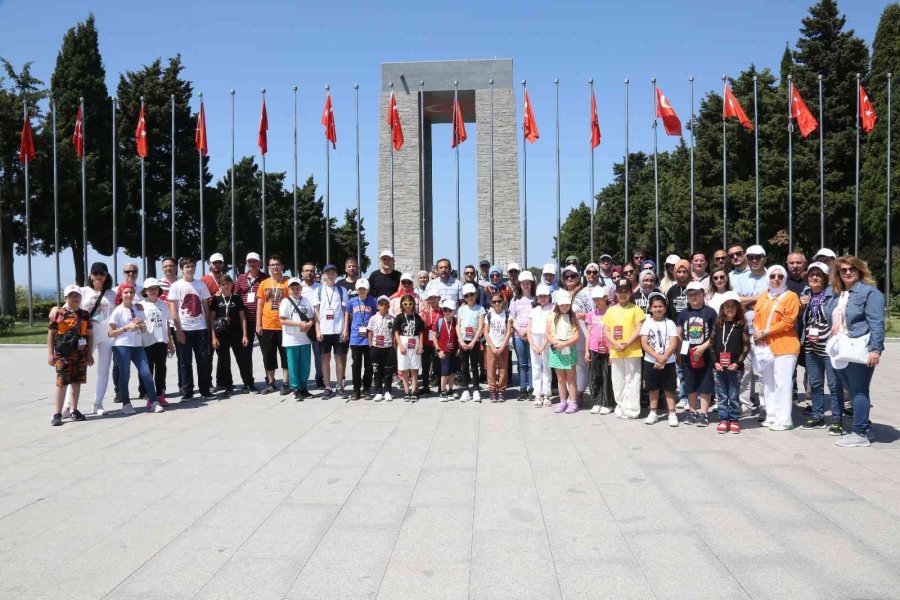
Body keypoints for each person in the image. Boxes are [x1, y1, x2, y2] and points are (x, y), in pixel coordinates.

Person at [828, 256, 885, 447]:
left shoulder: (870, 293)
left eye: (852, 269)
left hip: (859, 348)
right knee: (852, 391)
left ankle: (859, 433)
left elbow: (877, 323)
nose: (847, 273)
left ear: (860, 271)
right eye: (843, 270)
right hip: (840, 348)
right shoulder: (839, 293)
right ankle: (864, 426)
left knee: (859, 391)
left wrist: (875, 350)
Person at [62, 262, 115, 418]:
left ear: (106, 276)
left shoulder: (112, 294)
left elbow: (129, 297)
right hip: (85, 336)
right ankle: (67, 406)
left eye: (102, 273)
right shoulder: (83, 291)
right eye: (96, 273)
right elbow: (67, 306)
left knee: (103, 370)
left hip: (106, 337)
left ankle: (98, 403)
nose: (99, 276)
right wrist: (53, 310)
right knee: (76, 370)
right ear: (91, 276)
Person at [752, 265, 801, 431]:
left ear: (785, 278)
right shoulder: (763, 296)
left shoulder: (791, 296)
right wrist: (757, 331)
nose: (776, 279)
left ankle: (785, 419)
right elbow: (756, 317)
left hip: (785, 346)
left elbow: (788, 322)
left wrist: (766, 331)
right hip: (765, 346)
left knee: (783, 384)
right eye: (773, 276)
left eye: (780, 276)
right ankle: (772, 416)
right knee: (768, 383)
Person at [797, 262, 843, 433]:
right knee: (815, 384)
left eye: (818, 275)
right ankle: (818, 416)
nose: (814, 278)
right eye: (811, 275)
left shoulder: (833, 294)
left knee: (833, 384)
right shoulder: (806, 293)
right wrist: (801, 306)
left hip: (828, 346)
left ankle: (837, 419)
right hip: (810, 346)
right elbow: (803, 319)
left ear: (825, 278)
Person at [168, 257, 214, 401]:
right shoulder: (176, 286)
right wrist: (178, 330)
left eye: (192, 266)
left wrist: (208, 327)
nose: (190, 269)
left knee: (203, 360)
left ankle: (205, 390)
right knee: (185, 362)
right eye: (187, 266)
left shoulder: (201, 285)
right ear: (182, 269)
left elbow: (206, 307)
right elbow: (173, 309)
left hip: (200, 328)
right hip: (184, 328)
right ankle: (188, 391)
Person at [48, 285, 94, 425]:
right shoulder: (59, 313)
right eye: (72, 295)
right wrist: (51, 354)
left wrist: (89, 353)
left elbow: (90, 335)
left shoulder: (85, 314)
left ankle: (74, 410)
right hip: (63, 354)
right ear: (65, 297)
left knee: (76, 382)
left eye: (77, 295)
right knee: (61, 383)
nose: (75, 298)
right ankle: (57, 413)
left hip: (80, 353)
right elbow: (51, 334)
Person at [108, 284, 158, 414]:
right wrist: (126, 328)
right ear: (121, 295)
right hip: (122, 346)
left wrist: (141, 326)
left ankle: (154, 401)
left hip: (137, 345)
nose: (129, 295)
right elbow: (110, 333)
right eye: (125, 293)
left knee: (146, 373)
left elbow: (144, 327)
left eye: (131, 292)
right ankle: (126, 403)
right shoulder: (118, 311)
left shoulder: (138, 308)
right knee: (125, 374)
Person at [676, 281, 718, 427]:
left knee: (705, 384)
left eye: (697, 294)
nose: (694, 297)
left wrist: (703, 347)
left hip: (705, 353)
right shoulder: (683, 313)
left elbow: (714, 334)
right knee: (690, 384)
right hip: (688, 354)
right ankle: (692, 411)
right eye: (691, 294)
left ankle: (704, 413)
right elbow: (679, 334)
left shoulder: (710, 312)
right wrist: (682, 350)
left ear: (703, 295)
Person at [735, 245, 769, 416]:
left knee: (762, 372)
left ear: (764, 258)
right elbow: (737, 301)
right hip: (745, 331)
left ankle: (764, 406)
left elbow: (772, 301)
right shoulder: (741, 278)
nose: (754, 261)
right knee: (745, 370)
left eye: (758, 257)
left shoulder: (772, 276)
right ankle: (745, 405)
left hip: (765, 333)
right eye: (750, 258)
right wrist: (760, 299)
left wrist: (748, 301)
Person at [604, 279, 646, 419]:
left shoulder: (636, 309)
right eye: (620, 292)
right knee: (618, 380)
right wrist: (615, 344)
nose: (623, 294)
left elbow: (639, 327)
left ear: (630, 293)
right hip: (616, 351)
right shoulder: (610, 311)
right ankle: (620, 406)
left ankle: (632, 409)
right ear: (616, 293)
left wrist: (627, 343)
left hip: (632, 349)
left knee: (632, 380)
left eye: (626, 292)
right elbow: (606, 330)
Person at [712, 292, 751, 434]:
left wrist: (737, 363)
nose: (730, 309)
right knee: (722, 395)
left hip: (735, 368)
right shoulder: (718, 324)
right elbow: (711, 344)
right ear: (722, 308)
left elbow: (746, 346)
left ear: (738, 309)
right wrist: (715, 362)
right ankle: (723, 419)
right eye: (727, 306)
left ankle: (734, 419)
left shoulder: (741, 325)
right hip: (719, 367)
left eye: (733, 306)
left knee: (734, 395)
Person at [639, 292, 679, 426]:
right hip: (651, 360)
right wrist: (657, 357)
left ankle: (672, 413)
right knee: (653, 388)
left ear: (665, 308)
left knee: (669, 388)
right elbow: (644, 343)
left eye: (660, 306)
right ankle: (653, 412)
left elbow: (674, 342)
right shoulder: (647, 323)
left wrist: (664, 357)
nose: (658, 309)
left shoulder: (671, 323)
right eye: (655, 306)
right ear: (650, 308)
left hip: (669, 361)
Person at [313, 264, 350, 399]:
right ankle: (328, 386)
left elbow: (346, 312)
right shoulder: (318, 290)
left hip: (339, 330)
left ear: (336, 274)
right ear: (323, 274)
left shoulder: (342, 290)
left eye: (333, 272)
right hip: (324, 330)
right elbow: (316, 313)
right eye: (328, 272)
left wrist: (345, 329)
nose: (330, 274)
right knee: (325, 358)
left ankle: (339, 386)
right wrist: (317, 330)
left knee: (340, 358)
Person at [210, 275, 249, 398]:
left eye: (228, 284)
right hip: (221, 335)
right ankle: (228, 386)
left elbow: (243, 318)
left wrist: (245, 335)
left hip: (237, 333)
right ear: (220, 286)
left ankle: (248, 383)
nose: (225, 286)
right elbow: (211, 319)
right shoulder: (216, 300)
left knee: (242, 359)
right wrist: (213, 337)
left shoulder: (237, 298)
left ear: (232, 285)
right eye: (223, 284)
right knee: (224, 362)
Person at [256, 255, 291, 395]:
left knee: (285, 356)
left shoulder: (288, 282)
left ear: (282, 266)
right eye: (272, 265)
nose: (275, 267)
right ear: (268, 267)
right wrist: (258, 324)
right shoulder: (264, 283)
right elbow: (259, 305)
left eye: (277, 264)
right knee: (268, 356)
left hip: (284, 325)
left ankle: (286, 383)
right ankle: (271, 383)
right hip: (267, 325)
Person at [234, 252, 268, 393]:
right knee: (245, 353)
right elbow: (235, 295)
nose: (252, 263)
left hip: (263, 319)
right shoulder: (241, 278)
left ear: (260, 263)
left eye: (255, 261)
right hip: (245, 320)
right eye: (250, 261)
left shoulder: (265, 278)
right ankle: (248, 382)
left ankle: (269, 379)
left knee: (267, 351)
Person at [139, 278, 173, 408]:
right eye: (150, 289)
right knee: (148, 371)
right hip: (147, 341)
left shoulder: (164, 305)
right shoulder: (140, 305)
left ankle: (160, 395)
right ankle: (150, 396)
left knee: (161, 369)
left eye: (155, 288)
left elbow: (167, 324)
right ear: (145, 291)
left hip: (161, 341)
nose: (153, 291)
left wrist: (169, 342)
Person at [279, 277, 315, 400]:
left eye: (297, 288)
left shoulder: (306, 300)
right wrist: (299, 324)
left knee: (305, 365)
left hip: (304, 338)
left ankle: (304, 387)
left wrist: (309, 324)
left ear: (301, 288)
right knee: (293, 365)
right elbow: (282, 320)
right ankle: (295, 388)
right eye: (292, 288)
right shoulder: (286, 301)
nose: (295, 290)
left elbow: (311, 317)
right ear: (289, 289)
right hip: (291, 338)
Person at [547, 290, 580, 413]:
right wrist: (556, 343)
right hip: (556, 349)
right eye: (562, 305)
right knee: (560, 378)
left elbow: (576, 336)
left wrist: (565, 344)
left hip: (569, 348)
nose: (565, 307)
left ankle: (573, 402)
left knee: (570, 377)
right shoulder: (551, 316)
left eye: (567, 304)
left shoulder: (573, 317)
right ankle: (562, 401)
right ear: (557, 304)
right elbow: (548, 333)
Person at [666, 259, 691, 408]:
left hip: (691, 333)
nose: (681, 274)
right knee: (680, 364)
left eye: (684, 271)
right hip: (676, 333)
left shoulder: (693, 287)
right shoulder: (672, 291)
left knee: (691, 364)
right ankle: (683, 396)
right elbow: (668, 312)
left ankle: (693, 395)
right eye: (679, 272)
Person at [585, 286, 614, 415]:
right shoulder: (591, 315)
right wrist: (586, 351)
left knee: (607, 376)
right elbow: (589, 333)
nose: (597, 301)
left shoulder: (611, 313)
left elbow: (613, 333)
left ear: (605, 298)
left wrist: (613, 352)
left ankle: (607, 403)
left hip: (608, 349)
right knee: (595, 376)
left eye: (600, 299)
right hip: (594, 348)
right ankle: (596, 402)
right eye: (595, 299)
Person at [347, 278, 376, 400]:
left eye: (364, 289)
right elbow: (349, 317)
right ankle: (356, 389)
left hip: (369, 338)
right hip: (355, 338)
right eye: (360, 289)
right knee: (356, 365)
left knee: (369, 365)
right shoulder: (352, 301)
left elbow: (375, 317)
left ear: (368, 289)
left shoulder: (373, 301)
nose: (362, 291)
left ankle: (367, 388)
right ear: (357, 290)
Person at [393, 293, 425, 402]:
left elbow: (421, 332)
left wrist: (420, 345)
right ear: (402, 304)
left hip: (414, 340)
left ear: (413, 304)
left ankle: (414, 390)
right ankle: (406, 391)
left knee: (414, 368)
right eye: (405, 303)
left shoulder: (417, 317)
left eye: (410, 303)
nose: (408, 306)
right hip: (403, 340)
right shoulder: (399, 317)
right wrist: (400, 345)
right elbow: (396, 332)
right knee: (404, 368)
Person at [509, 271, 536, 400]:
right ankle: (522, 388)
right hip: (518, 335)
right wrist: (519, 329)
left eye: (528, 283)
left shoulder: (535, 299)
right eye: (523, 283)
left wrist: (527, 330)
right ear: (519, 285)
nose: (525, 285)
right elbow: (511, 317)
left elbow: (536, 317)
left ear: (531, 284)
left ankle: (531, 388)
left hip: (531, 334)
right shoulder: (515, 299)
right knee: (522, 363)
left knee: (532, 363)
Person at [457, 283, 486, 403]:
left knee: (474, 366)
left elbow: (480, 327)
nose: (470, 297)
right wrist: (460, 340)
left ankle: (475, 389)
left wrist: (475, 341)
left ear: (476, 295)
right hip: (463, 340)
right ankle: (465, 389)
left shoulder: (480, 309)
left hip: (474, 341)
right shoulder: (461, 309)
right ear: (464, 297)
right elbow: (458, 326)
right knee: (464, 366)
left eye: (472, 294)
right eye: (467, 295)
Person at [484, 291, 513, 402]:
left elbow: (508, 332)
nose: (497, 304)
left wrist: (502, 346)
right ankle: (492, 390)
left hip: (503, 346)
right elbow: (486, 332)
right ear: (491, 303)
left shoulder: (507, 314)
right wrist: (492, 347)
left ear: (503, 302)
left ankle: (501, 390)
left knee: (503, 369)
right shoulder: (489, 315)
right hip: (491, 346)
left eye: (499, 301)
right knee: (490, 369)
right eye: (494, 301)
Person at [299, 261, 325, 388]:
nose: (309, 273)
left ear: (315, 272)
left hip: (316, 324)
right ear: (302, 273)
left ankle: (320, 378)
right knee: (302, 354)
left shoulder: (320, 287)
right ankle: (302, 380)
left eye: (311, 270)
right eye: (306, 271)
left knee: (318, 354)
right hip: (300, 324)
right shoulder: (298, 287)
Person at [528, 284, 554, 408]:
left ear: (549, 297)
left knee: (547, 366)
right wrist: (533, 345)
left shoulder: (552, 309)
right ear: (537, 297)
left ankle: (547, 394)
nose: (543, 298)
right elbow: (529, 329)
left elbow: (551, 329)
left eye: (545, 296)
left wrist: (543, 345)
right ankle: (537, 393)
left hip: (546, 339)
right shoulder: (533, 310)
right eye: (540, 296)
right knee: (536, 367)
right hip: (534, 339)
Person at [367, 296, 395, 402]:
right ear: (377, 306)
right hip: (376, 347)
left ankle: (387, 390)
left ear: (388, 306)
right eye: (381, 304)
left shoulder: (392, 319)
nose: (383, 306)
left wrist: (394, 346)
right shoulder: (373, 318)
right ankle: (379, 391)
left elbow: (394, 333)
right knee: (376, 370)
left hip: (388, 347)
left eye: (385, 304)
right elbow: (369, 332)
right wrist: (371, 346)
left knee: (388, 370)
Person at [435, 299, 460, 401]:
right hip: (444, 352)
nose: (447, 312)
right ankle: (442, 391)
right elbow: (434, 337)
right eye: (445, 310)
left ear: (453, 311)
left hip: (454, 351)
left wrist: (459, 348)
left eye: (449, 310)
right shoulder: (439, 321)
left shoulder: (456, 321)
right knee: (444, 373)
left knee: (453, 372)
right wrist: (438, 350)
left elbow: (459, 336)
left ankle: (450, 390)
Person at [419, 288, 441, 395]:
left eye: (434, 298)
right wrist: (427, 316)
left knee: (438, 366)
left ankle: (441, 386)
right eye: (430, 299)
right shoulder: (425, 312)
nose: (432, 300)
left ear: (438, 299)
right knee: (425, 366)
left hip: (438, 343)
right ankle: (425, 386)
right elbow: (422, 327)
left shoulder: (442, 311)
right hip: (427, 343)